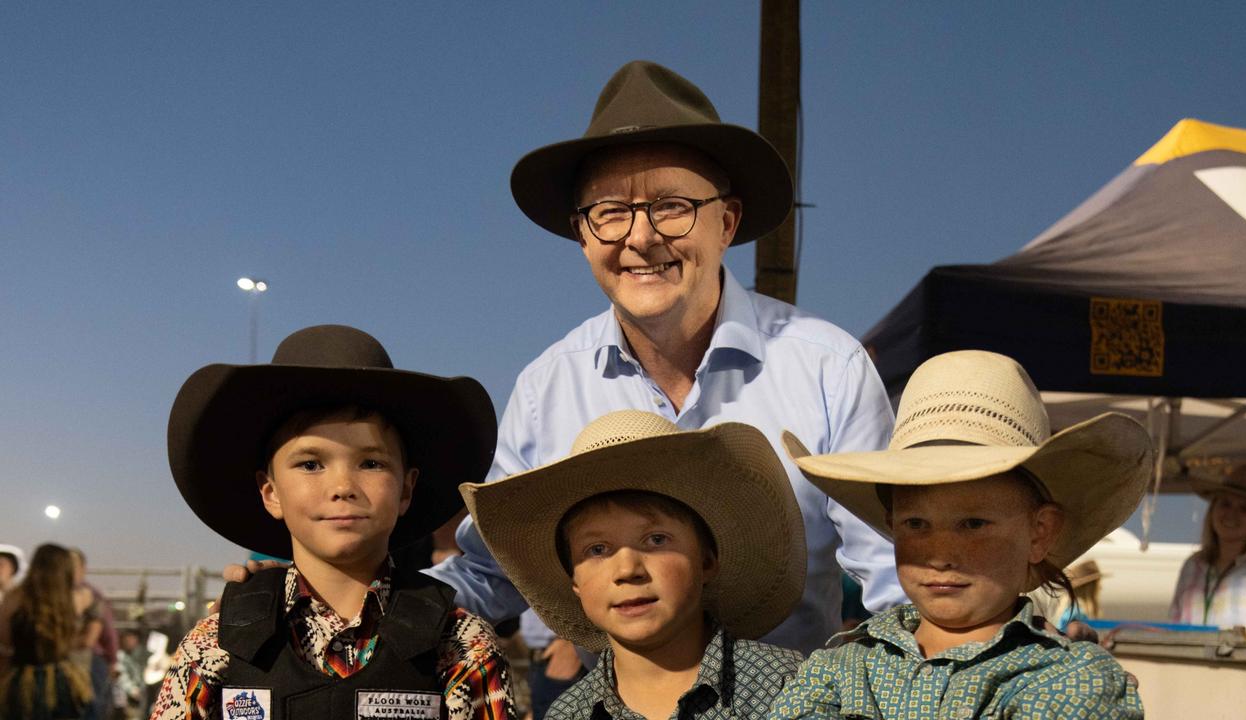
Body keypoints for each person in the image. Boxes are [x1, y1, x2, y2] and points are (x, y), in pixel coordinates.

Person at [429, 59, 902, 668]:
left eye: (671, 206)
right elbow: (491, 573)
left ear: (726, 223)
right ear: (582, 235)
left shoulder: (827, 367)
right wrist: (359, 604)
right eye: (609, 211)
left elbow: (893, 575)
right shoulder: (549, 386)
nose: (641, 237)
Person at [153, 324, 517, 720]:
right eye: (310, 464)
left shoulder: (463, 644)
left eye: (371, 463)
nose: (343, 486)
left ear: (406, 490)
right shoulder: (215, 643)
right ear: (271, 492)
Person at [770, 350, 1149, 719]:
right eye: (916, 524)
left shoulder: (1071, 681)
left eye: (972, 524)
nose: (940, 555)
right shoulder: (840, 668)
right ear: (892, 525)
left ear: (1040, 533)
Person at [463, 410, 806, 720]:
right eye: (597, 549)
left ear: (707, 560)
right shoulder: (568, 714)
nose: (628, 570)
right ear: (575, 582)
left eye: (656, 540)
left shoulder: (787, 686)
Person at [1169, 463, 1246, 627]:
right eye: (1225, 504)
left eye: (1245, 509)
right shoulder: (1193, 565)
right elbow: (1173, 629)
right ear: (1213, 508)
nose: (1232, 514)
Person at [0, 543, 95, 719]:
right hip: (62, 681)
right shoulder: (79, 598)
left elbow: (5, 642)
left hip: (20, 681)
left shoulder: (13, 598)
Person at [70, 548, 118, 720]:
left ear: (83, 568)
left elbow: (107, 631)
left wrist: (111, 659)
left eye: (74, 565)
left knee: (92, 705)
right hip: (69, 658)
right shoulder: (57, 594)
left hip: (90, 658)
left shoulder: (92, 595)